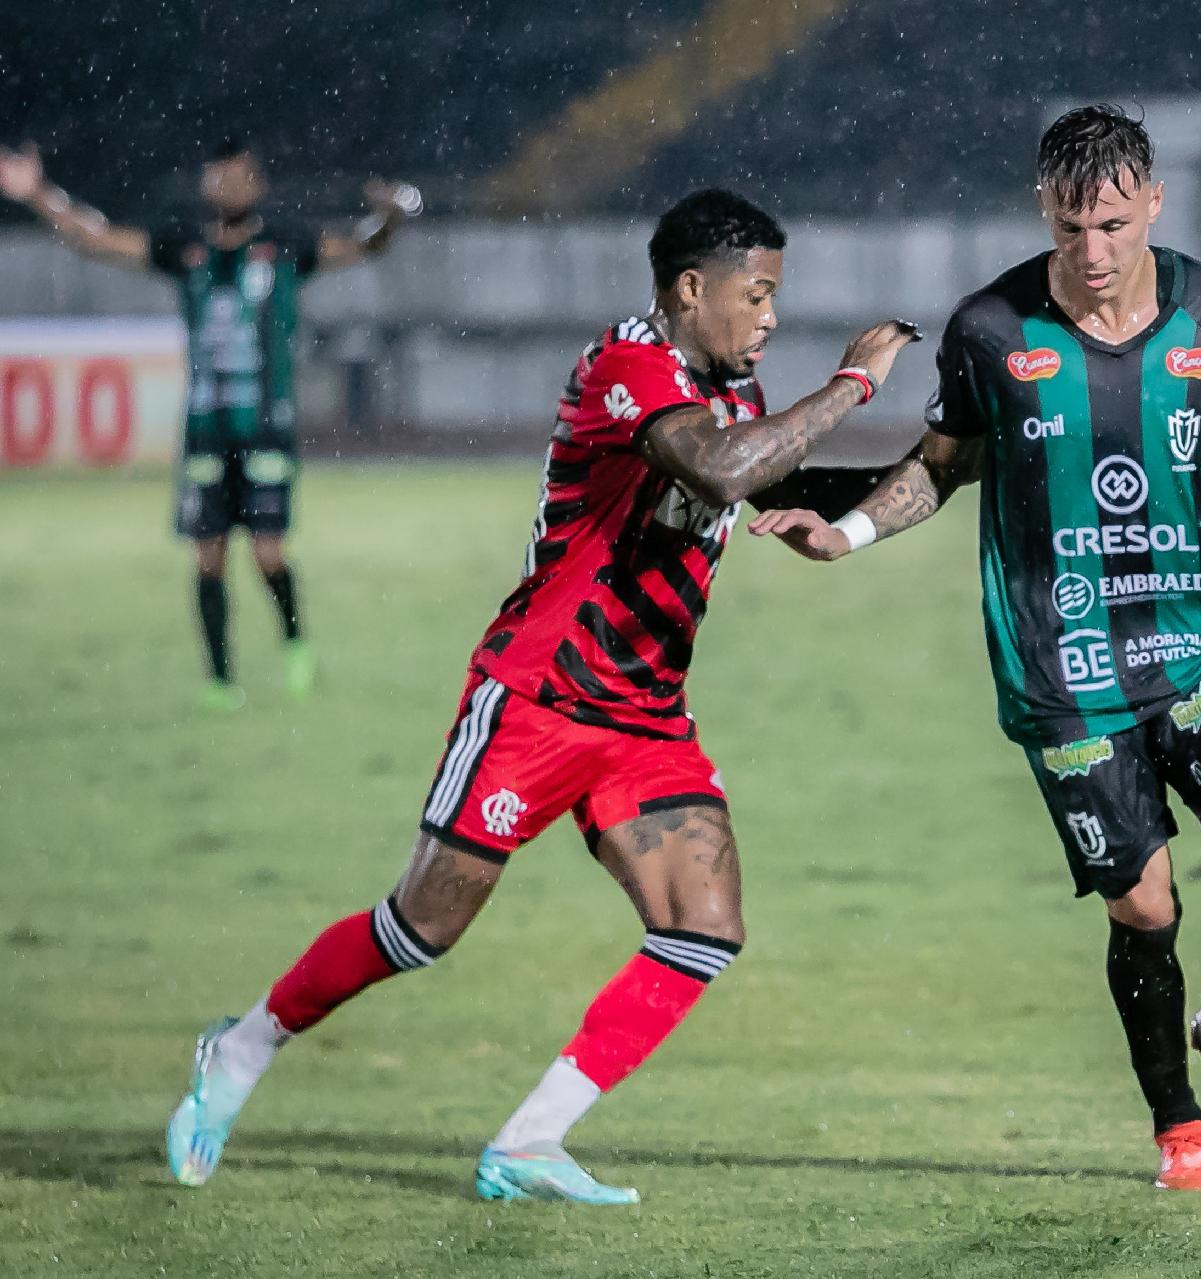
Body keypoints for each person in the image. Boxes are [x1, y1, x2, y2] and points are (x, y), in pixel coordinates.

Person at [160, 189, 920, 1202]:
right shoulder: (627, 368)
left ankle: (528, 1141)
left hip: (645, 717)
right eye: (759, 294)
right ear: (693, 290)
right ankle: (242, 1047)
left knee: (705, 923)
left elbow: (767, 476)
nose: (771, 315)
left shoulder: (729, 389)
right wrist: (856, 382)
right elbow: (724, 468)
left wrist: (949, 462)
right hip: (539, 699)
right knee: (419, 929)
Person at [751, 106, 1201, 1191]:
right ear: (1044, 209)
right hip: (1063, 665)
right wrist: (846, 531)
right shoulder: (992, 328)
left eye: (1115, 226)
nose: (1092, 253)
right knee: (1145, 902)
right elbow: (943, 465)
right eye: (1071, 226)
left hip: (1193, 644)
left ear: (1155, 206)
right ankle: (1177, 1122)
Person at [0, 137, 421, 709]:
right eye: (219, 176)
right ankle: (220, 679)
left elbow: (366, 246)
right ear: (206, 184)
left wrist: (391, 216)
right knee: (208, 554)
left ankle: (295, 642)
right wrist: (39, 195)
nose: (229, 186)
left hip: (267, 426)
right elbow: (96, 240)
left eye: (240, 176)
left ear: (258, 183)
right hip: (206, 431)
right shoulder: (187, 248)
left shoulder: (285, 247)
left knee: (269, 552)